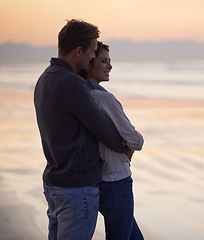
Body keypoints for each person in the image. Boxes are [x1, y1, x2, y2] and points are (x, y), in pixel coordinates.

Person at [34, 19, 131, 240]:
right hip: (76, 189)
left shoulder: (45, 78)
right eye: (92, 52)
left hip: (55, 183)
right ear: (79, 51)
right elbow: (103, 128)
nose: (92, 58)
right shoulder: (72, 84)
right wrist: (123, 145)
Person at [79, 41, 144, 240]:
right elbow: (136, 141)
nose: (110, 66)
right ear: (89, 64)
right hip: (118, 182)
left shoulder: (81, 96)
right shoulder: (105, 99)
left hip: (99, 183)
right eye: (104, 61)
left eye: (110, 61)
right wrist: (129, 142)